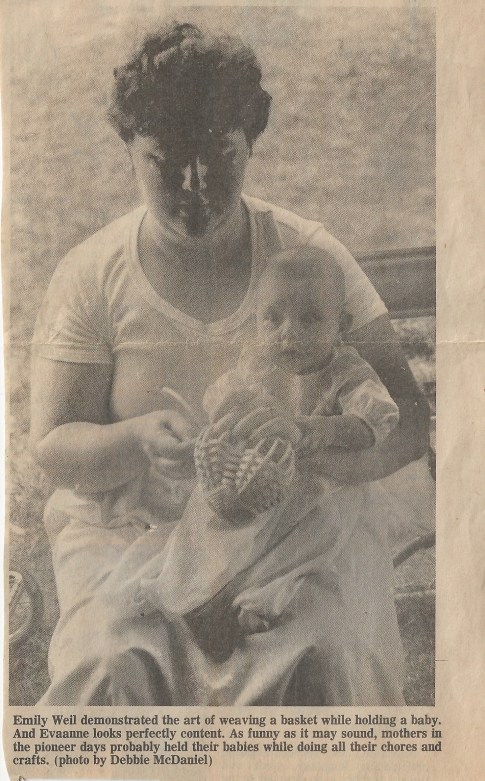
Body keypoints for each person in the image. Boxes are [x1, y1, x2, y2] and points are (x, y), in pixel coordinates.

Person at [30, 20, 429, 705]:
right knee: (111, 661)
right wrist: (135, 438)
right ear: (129, 148)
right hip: (135, 538)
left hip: (293, 536)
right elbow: (55, 447)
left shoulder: (305, 260)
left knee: (325, 653)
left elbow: (406, 423)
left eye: (220, 155)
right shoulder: (94, 275)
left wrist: (306, 444)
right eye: (165, 161)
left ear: (251, 142)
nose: (195, 186)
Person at [138, 246, 400, 626]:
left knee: (314, 535)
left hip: (316, 484)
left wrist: (311, 429)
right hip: (253, 476)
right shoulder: (259, 363)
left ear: (341, 325)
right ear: (256, 320)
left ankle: (259, 599)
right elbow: (220, 399)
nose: (288, 334)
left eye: (310, 319)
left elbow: (373, 421)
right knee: (203, 514)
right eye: (272, 319)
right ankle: (183, 590)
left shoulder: (346, 371)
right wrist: (223, 414)